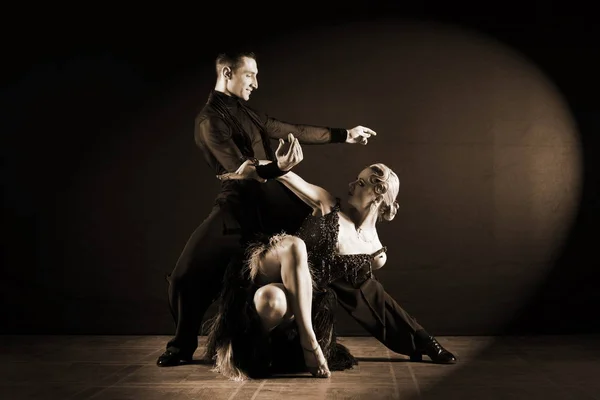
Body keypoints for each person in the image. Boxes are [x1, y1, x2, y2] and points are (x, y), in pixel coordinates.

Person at [157, 50, 456, 369]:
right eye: (250, 75)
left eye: (257, 75)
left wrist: (346, 135)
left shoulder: (251, 115)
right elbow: (239, 168)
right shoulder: (209, 121)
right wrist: (278, 166)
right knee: (185, 276)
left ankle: (421, 341)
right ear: (227, 73)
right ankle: (182, 345)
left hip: (278, 203)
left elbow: (294, 130)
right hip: (239, 207)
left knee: (345, 267)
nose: (256, 83)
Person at [206, 154, 401, 380]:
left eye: (361, 183)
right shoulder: (328, 204)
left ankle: (252, 351)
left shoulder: (376, 254)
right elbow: (286, 176)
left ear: (377, 195)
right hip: (268, 265)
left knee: (271, 300)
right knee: (294, 245)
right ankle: (309, 343)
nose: (351, 185)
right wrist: (260, 166)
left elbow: (361, 294)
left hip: (297, 297)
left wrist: (419, 340)